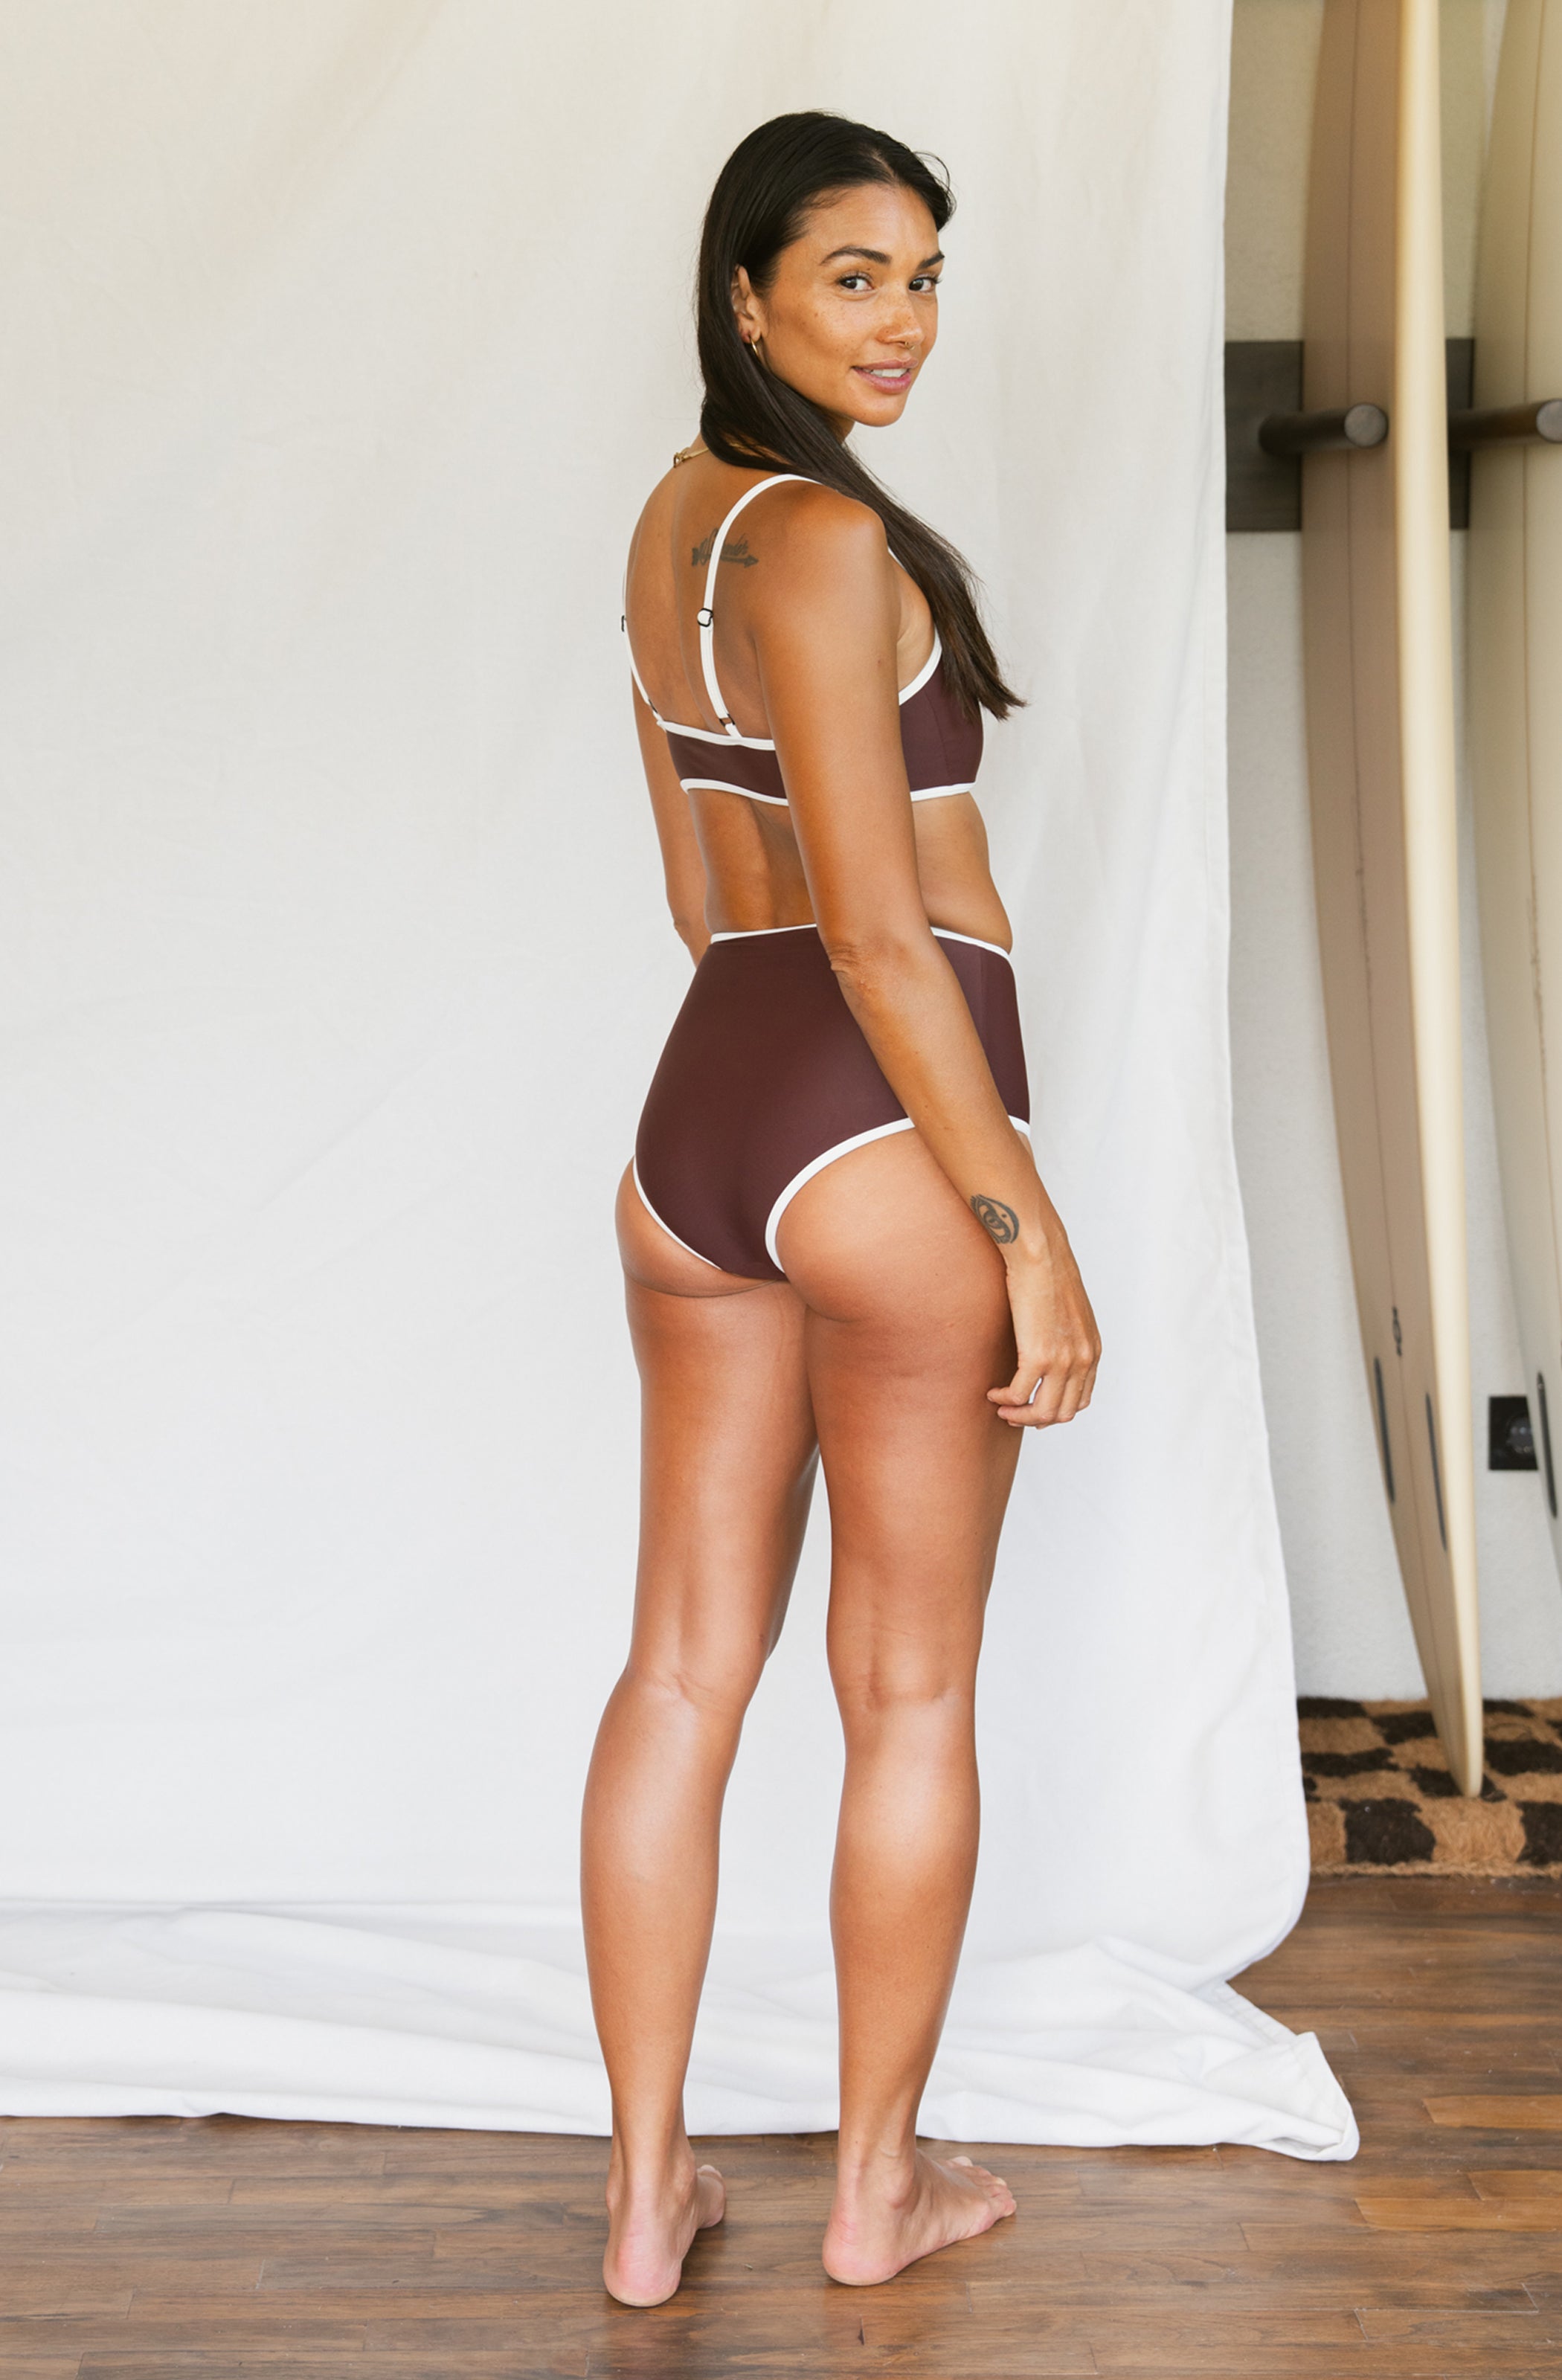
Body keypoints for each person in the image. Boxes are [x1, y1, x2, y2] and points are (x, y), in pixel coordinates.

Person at [580, 109, 1100, 2309]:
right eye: (854, 277)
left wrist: (784, 1116)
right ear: (746, 296)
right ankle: (875, 2192)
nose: (900, 321)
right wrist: (1016, 1225)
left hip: (696, 1129)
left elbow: (715, 897)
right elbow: (883, 944)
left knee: (685, 1668)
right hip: (879, 1123)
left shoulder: (673, 530)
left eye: (920, 277)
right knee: (904, 1694)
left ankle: (643, 2202)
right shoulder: (822, 541)